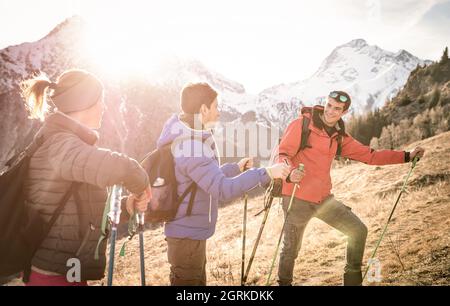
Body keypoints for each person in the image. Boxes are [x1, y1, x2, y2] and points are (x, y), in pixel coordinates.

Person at [276, 90, 425, 286]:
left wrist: (406, 156)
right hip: (296, 199)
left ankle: (353, 282)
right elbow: (283, 154)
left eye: (337, 108)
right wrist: (290, 172)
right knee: (290, 250)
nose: (330, 111)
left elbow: (370, 155)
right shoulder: (301, 125)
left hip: (323, 200)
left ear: (343, 112)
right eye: (329, 105)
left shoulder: (339, 137)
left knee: (358, 230)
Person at [21, 69, 151, 286]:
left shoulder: (67, 144)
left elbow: (83, 214)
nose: (104, 107)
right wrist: (141, 181)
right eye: (101, 100)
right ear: (84, 103)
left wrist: (128, 206)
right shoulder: (60, 144)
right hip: (53, 277)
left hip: (66, 271)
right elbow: (116, 166)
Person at [157, 82, 290, 285]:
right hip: (187, 239)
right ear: (203, 109)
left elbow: (205, 179)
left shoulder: (190, 139)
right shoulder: (192, 145)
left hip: (188, 235)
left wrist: (235, 168)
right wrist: (266, 173)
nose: (219, 112)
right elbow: (222, 190)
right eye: (216, 106)